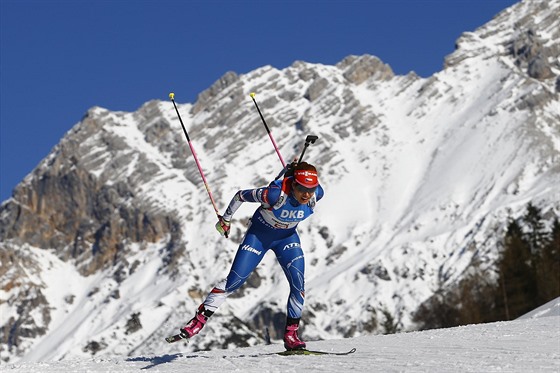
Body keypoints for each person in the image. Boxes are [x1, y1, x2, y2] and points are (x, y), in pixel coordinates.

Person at [179, 161, 324, 350]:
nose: (307, 194)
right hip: (259, 237)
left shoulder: (316, 195)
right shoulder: (274, 195)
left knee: (299, 285)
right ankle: (197, 321)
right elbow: (240, 196)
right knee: (234, 281)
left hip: (287, 239)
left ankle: (291, 335)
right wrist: (226, 219)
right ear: (294, 184)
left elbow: (309, 190)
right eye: (303, 188)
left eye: (311, 189)